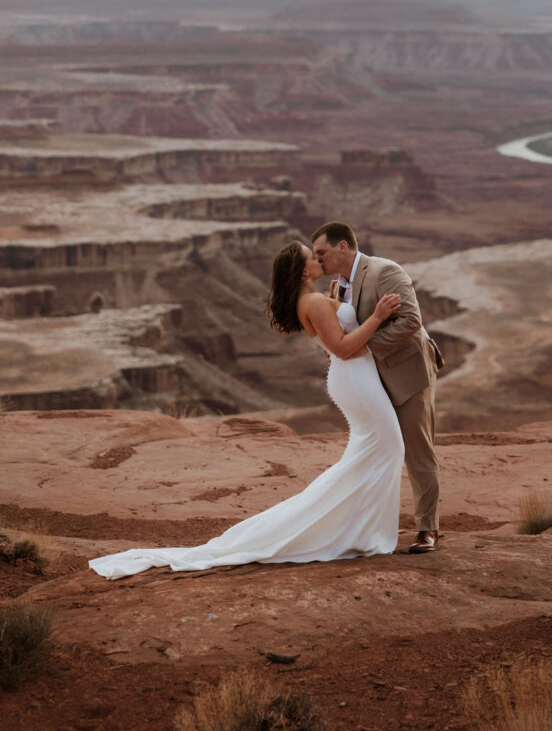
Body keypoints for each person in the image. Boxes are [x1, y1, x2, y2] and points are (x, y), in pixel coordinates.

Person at [89, 241, 404, 580]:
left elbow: (336, 336)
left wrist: (339, 303)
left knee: (368, 455)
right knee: (388, 449)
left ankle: (356, 532)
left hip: (353, 380)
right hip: (355, 378)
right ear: (302, 272)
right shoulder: (311, 301)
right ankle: (356, 533)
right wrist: (377, 317)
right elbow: (341, 348)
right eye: (313, 258)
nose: (319, 260)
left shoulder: (309, 300)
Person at [312, 221, 443, 553]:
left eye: (321, 252)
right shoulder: (338, 285)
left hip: (406, 372)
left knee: (417, 451)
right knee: (375, 449)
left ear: (343, 247)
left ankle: (427, 530)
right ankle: (363, 527)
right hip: (369, 379)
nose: (319, 260)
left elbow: (411, 320)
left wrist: (363, 348)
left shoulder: (385, 271)